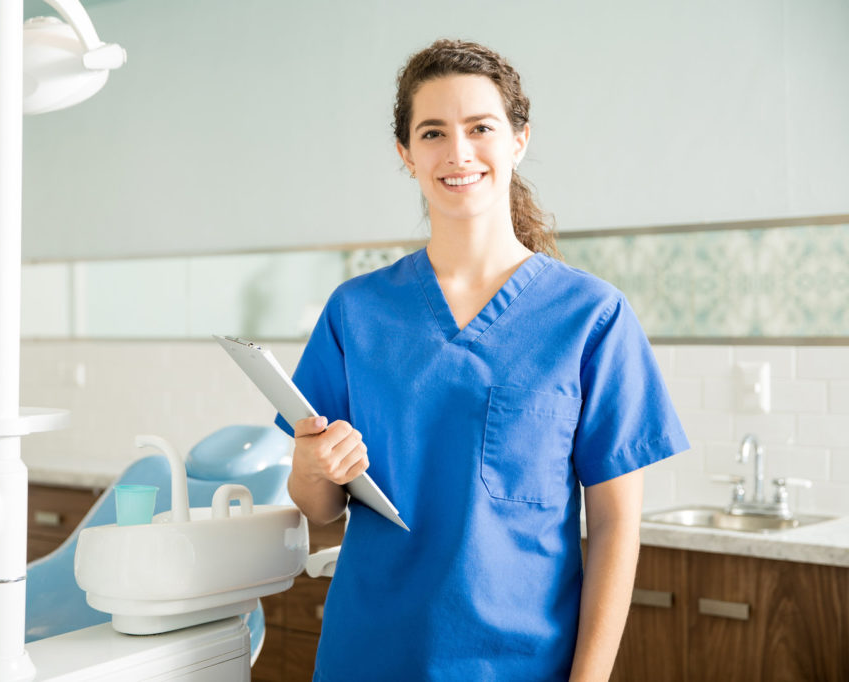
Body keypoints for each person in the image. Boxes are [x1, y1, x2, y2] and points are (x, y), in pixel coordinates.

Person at [276, 39, 688, 682]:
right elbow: (321, 507)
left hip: (523, 664)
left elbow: (613, 529)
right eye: (433, 132)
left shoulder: (592, 317)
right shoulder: (356, 312)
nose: (458, 152)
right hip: (369, 656)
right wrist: (310, 467)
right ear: (406, 154)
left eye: (481, 128)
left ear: (519, 139)